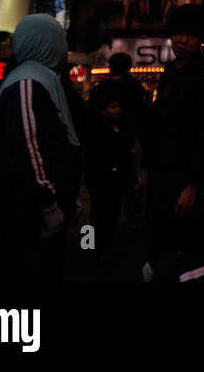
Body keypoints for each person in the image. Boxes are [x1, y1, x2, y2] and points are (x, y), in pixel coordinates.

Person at [0, 15, 81, 282]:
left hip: (37, 208)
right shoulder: (29, 83)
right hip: (29, 214)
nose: (63, 46)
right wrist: (49, 204)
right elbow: (29, 148)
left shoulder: (42, 79)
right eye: (58, 39)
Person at [140, 4, 204, 281]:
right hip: (161, 175)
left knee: (183, 251)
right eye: (178, 33)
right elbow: (157, 125)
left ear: (200, 39)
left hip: (187, 179)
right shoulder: (168, 72)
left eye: (190, 35)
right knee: (159, 242)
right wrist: (146, 169)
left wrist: (192, 185)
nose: (182, 40)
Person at [84, 52, 146, 262]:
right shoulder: (135, 89)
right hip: (126, 149)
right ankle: (131, 238)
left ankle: (92, 245)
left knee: (99, 206)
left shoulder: (99, 90)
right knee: (127, 196)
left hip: (100, 155)